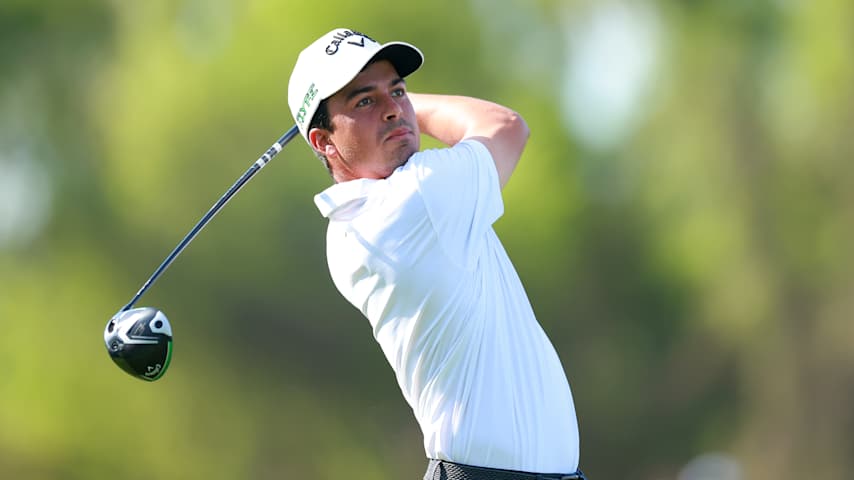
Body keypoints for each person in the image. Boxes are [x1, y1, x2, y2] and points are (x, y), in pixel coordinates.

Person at [287, 28, 585, 480]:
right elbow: (505, 126)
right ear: (323, 142)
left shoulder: (353, 225)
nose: (392, 109)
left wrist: (384, 107)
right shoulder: (415, 200)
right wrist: (409, 108)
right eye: (364, 101)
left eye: (398, 90)